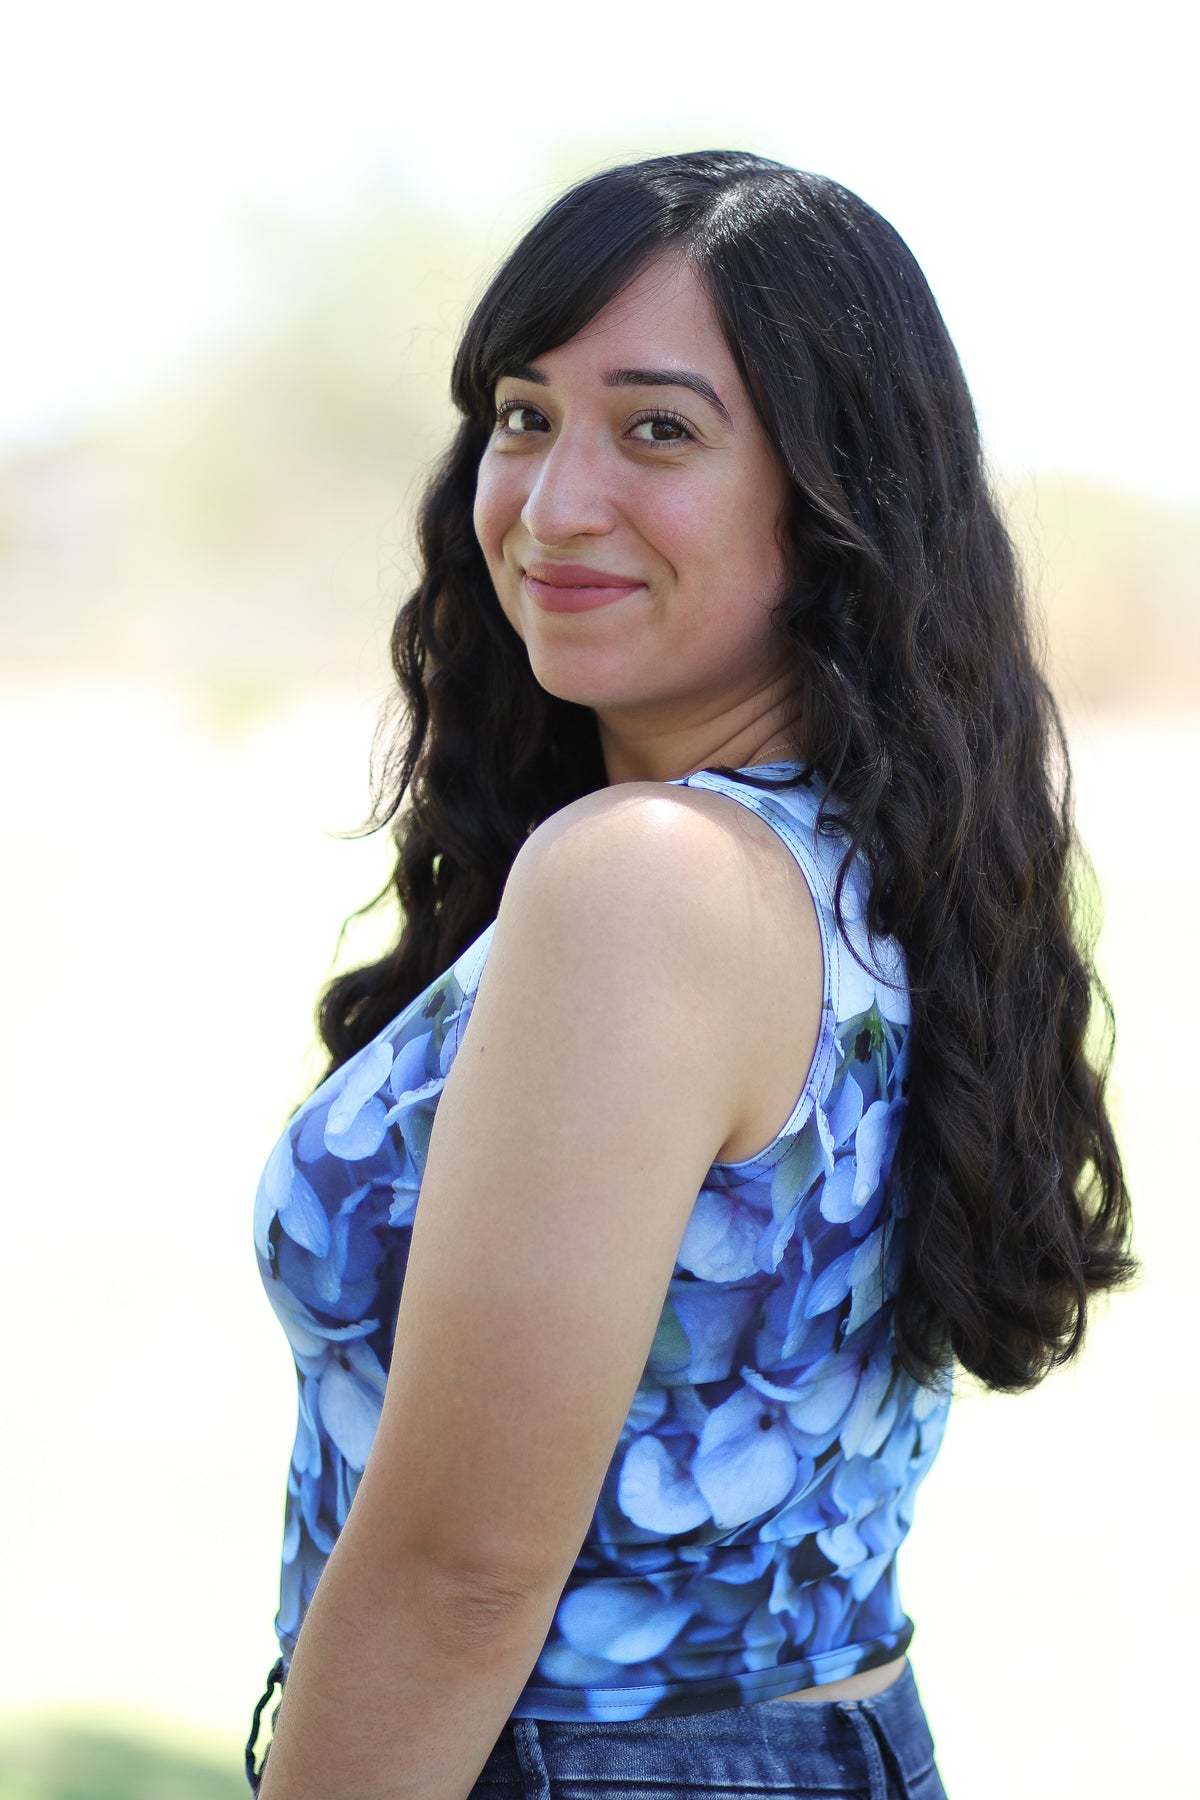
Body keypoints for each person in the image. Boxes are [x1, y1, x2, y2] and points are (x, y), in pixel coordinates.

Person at [244, 150, 1134, 1798]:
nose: (552, 502)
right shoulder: (879, 866)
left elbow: (462, 1579)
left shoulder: (644, 882)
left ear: (835, 491)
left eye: (657, 429)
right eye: (524, 415)